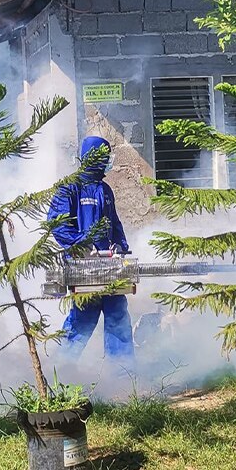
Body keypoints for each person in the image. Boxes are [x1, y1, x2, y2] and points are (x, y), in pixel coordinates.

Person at [47, 136, 134, 361]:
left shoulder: (105, 190)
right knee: (82, 321)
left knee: (118, 318)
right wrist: (82, 244)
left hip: (109, 267)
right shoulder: (69, 188)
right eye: (104, 157)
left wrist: (122, 247)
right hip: (83, 268)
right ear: (93, 157)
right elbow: (58, 226)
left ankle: (123, 378)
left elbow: (114, 224)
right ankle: (61, 373)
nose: (107, 161)